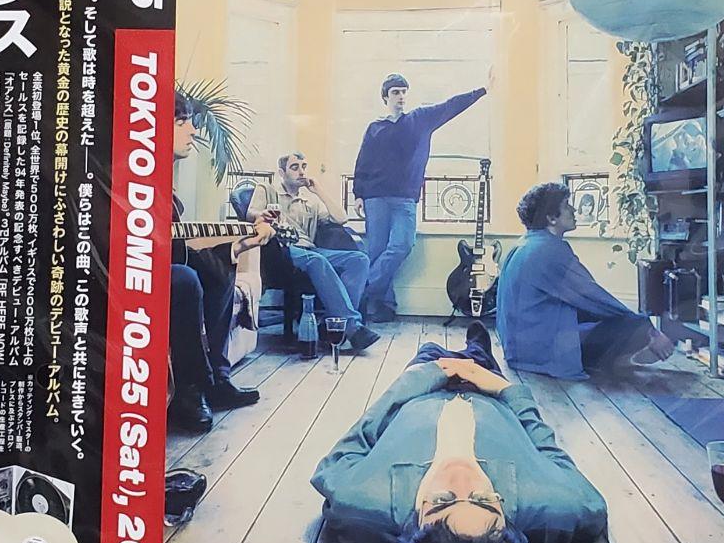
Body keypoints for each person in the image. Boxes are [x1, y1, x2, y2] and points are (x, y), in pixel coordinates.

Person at [311, 323, 607, 543]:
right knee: (479, 352)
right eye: (485, 501)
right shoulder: (559, 505)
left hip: (421, 386)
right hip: (489, 390)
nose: (463, 477)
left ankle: (441, 347)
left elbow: (359, 436)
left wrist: (422, 376)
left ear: (413, 525)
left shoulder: (359, 498)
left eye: (441, 502)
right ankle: (477, 345)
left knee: (427, 348)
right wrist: (506, 388)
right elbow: (554, 456)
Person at [170, 92, 274, 435]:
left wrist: (243, 244)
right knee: (184, 278)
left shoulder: (164, 184)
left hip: (164, 263)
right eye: (181, 122)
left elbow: (175, 245)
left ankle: (217, 380)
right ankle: (190, 391)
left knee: (220, 268)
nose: (193, 131)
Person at [496, 182, 674, 381]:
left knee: (601, 318)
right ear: (551, 218)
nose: (574, 209)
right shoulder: (550, 250)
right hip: (540, 353)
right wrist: (650, 331)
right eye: (566, 205)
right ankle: (618, 359)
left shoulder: (524, 243)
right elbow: (594, 297)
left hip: (518, 350)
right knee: (634, 323)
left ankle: (615, 359)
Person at [352, 71, 490, 322]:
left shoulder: (420, 119)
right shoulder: (375, 128)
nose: (401, 96)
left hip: (405, 198)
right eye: (395, 92)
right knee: (376, 252)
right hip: (375, 196)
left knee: (402, 245)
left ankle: (358, 291)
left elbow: (450, 106)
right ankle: (383, 307)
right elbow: (363, 161)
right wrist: (358, 193)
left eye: (404, 92)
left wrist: (482, 90)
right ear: (385, 97)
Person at [248, 153, 380, 353]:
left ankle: (331, 324)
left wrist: (318, 190)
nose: (301, 171)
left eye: (304, 166)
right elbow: (250, 213)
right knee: (317, 260)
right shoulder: (267, 189)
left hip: (310, 250)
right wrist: (262, 215)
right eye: (294, 167)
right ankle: (352, 326)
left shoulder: (309, 202)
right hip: (282, 251)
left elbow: (341, 218)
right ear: (282, 172)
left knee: (359, 260)